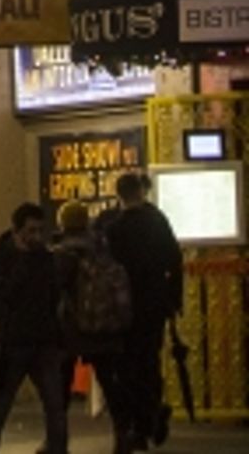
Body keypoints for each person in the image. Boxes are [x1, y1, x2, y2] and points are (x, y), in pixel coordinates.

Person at [0, 202, 68, 454]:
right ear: (16, 231)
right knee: (2, 403)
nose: (36, 237)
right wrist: (23, 259)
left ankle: (58, 448)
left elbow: (53, 295)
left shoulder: (46, 257)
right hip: (13, 341)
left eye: (40, 230)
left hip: (43, 339)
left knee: (54, 404)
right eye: (31, 231)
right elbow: (4, 291)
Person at [101, 172, 183, 450]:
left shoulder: (114, 228)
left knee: (126, 366)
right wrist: (174, 299)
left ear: (119, 195)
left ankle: (139, 422)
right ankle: (150, 415)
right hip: (154, 304)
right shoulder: (157, 221)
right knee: (149, 361)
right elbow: (175, 258)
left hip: (124, 307)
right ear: (141, 192)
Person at [52, 199, 133, 454]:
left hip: (70, 329)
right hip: (103, 326)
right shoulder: (103, 247)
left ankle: (58, 441)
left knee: (60, 387)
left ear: (62, 222)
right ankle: (123, 436)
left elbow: (55, 292)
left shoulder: (61, 253)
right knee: (111, 383)